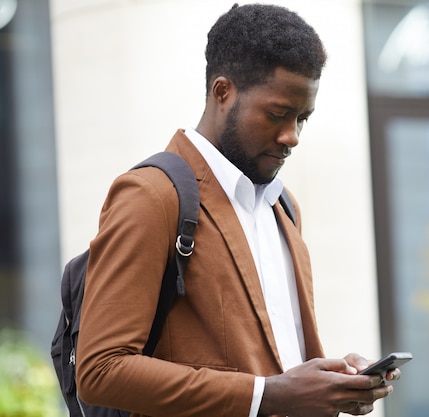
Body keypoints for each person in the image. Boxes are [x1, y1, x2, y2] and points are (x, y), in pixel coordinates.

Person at [76, 4, 399, 417]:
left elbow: (274, 369)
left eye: (303, 118)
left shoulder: (283, 206)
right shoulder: (151, 195)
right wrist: (270, 394)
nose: (292, 136)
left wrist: (330, 385)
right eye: (278, 114)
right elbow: (101, 370)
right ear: (222, 92)